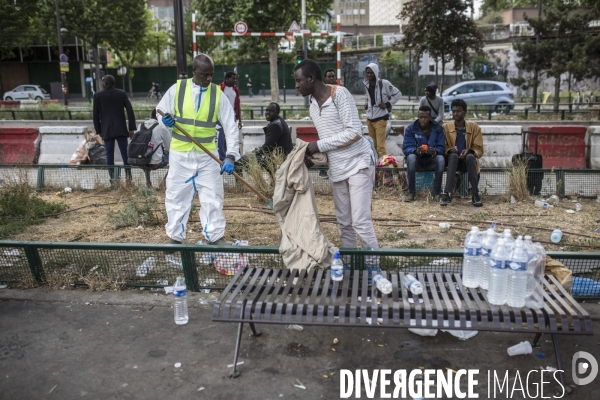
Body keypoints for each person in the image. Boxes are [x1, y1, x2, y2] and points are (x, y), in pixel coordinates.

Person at [294, 59, 379, 272]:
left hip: (359, 161)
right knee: (345, 223)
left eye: (299, 81)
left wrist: (318, 145)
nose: (297, 85)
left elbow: (354, 132)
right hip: (338, 169)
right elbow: (329, 139)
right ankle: (349, 267)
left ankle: (373, 268)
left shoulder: (339, 94)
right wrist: (313, 156)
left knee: (360, 221)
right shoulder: (313, 106)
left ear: (311, 78)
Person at [156, 54, 240, 247]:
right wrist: (165, 121)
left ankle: (215, 236)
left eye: (211, 75)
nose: (209, 79)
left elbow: (230, 127)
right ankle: (175, 237)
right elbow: (159, 111)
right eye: (205, 75)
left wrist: (230, 156)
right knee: (176, 196)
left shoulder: (217, 94)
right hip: (179, 155)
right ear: (194, 71)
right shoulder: (177, 89)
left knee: (213, 197)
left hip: (207, 156)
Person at [92, 74, 135, 182]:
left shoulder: (98, 95)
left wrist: (99, 131)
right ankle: (129, 177)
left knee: (109, 155)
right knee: (125, 153)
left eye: (102, 82)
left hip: (106, 130)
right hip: (121, 129)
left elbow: (95, 115)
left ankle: (113, 179)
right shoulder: (121, 93)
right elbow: (130, 110)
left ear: (105, 83)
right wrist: (131, 128)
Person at [441, 99, 484, 207]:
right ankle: (448, 194)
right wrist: (450, 149)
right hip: (452, 161)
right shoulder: (445, 127)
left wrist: (469, 150)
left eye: (458, 111)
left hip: (467, 161)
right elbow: (442, 146)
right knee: (454, 156)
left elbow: (479, 149)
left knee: (470, 157)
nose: (455, 113)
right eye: (454, 111)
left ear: (464, 112)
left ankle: (475, 194)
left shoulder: (474, 128)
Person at [402, 105, 445, 202]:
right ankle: (411, 192)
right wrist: (415, 150)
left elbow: (442, 147)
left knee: (441, 159)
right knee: (411, 157)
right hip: (417, 160)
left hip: (431, 160)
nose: (423, 120)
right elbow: (406, 148)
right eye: (421, 117)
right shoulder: (411, 128)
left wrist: (435, 151)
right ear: (418, 116)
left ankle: (436, 193)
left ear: (430, 117)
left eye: (425, 117)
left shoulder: (437, 128)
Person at [363, 63, 402, 159]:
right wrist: (367, 103)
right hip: (370, 119)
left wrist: (387, 104)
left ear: (375, 72)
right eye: (367, 73)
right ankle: (375, 171)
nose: (369, 75)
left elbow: (398, 94)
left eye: (371, 73)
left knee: (380, 148)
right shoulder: (366, 84)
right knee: (372, 147)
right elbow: (370, 98)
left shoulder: (384, 83)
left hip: (380, 119)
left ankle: (382, 171)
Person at [217, 71, 242, 161]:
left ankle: (235, 158)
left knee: (232, 136)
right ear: (227, 79)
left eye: (235, 79)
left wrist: (239, 120)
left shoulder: (235, 89)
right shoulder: (220, 88)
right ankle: (222, 158)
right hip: (222, 117)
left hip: (233, 116)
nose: (235, 80)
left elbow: (238, 104)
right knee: (222, 138)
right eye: (233, 78)